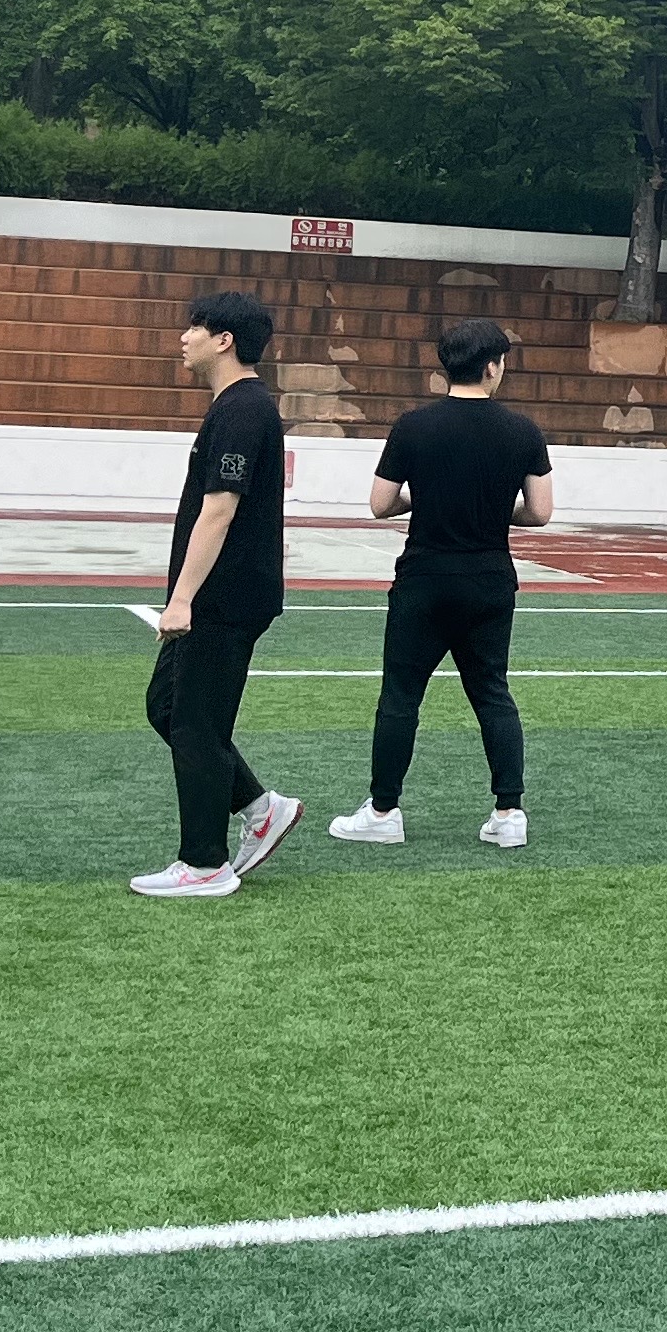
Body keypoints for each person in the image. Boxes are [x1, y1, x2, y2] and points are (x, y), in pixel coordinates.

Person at [332, 317, 554, 851]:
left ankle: (383, 811)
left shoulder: (413, 426)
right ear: (492, 366)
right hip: (489, 580)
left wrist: (429, 499)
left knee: (401, 696)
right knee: (492, 693)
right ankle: (509, 812)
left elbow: (380, 504)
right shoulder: (523, 430)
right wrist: (492, 509)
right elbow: (540, 512)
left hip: (425, 579)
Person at [131, 292, 303, 900]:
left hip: (225, 597)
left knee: (197, 726)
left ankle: (205, 863)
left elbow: (220, 510)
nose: (185, 337)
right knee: (167, 708)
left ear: (224, 340)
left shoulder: (244, 410)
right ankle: (260, 807)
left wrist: (182, 599)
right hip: (219, 594)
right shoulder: (233, 407)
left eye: (195, 327)